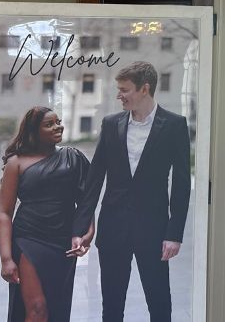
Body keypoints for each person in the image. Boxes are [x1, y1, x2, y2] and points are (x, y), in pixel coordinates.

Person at [72, 61, 191, 322]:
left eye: (124, 90)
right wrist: (80, 229)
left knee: (160, 304)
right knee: (112, 305)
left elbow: (182, 184)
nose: (119, 96)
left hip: (155, 230)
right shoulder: (111, 123)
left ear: (144, 89)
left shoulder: (174, 125)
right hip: (113, 228)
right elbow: (94, 179)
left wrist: (174, 234)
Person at [0, 106, 94, 322]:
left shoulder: (74, 157)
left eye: (58, 121)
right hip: (28, 238)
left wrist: (88, 233)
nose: (57, 126)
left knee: (57, 308)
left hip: (62, 242)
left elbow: (86, 202)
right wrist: (6, 259)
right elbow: (4, 213)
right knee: (37, 307)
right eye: (49, 124)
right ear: (33, 131)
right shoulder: (16, 163)